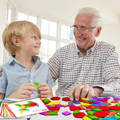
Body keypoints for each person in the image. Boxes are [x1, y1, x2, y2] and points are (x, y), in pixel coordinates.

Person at [48, 7, 120, 100]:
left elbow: (117, 84)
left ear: (97, 31)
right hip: (63, 109)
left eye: (83, 28)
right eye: (75, 27)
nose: (78, 33)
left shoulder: (108, 51)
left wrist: (96, 90)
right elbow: (44, 78)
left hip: (95, 110)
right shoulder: (61, 53)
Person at [0, 21, 53, 99]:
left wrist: (49, 96)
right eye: (34, 37)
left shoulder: (45, 68)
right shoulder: (3, 70)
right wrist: (12, 98)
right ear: (16, 41)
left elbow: (51, 98)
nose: (39, 42)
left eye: (39, 39)